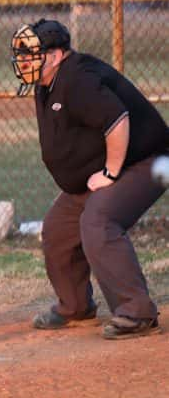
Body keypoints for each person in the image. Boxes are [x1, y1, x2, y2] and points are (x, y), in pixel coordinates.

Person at [10, 19, 168, 339]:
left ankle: (137, 312)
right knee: (58, 229)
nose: (24, 62)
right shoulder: (48, 82)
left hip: (147, 161)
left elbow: (117, 119)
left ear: (55, 56)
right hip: (112, 166)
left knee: (98, 220)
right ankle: (76, 307)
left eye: (31, 55)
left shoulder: (77, 77)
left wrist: (110, 172)